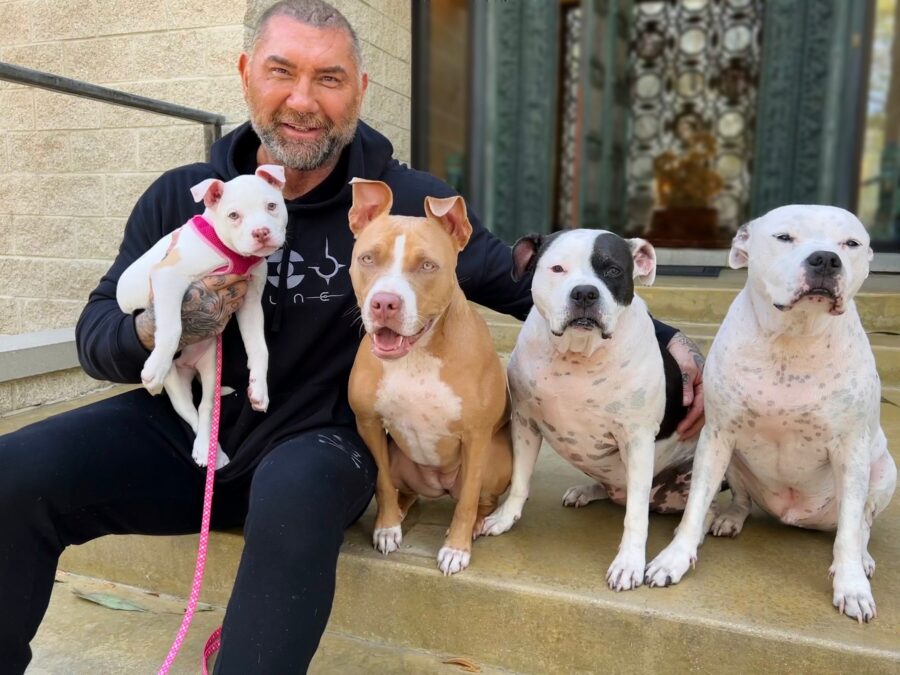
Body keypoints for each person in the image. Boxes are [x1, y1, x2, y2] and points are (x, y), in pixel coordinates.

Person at [0, 1, 705, 672]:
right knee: (14, 471)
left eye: (329, 78)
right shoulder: (188, 193)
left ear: (360, 90)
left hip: (320, 440)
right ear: (245, 72)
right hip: (189, 427)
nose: (304, 99)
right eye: (282, 71)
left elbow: (527, 282)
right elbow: (98, 332)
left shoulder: (400, 199)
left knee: (297, 491)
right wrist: (162, 324)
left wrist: (664, 336)